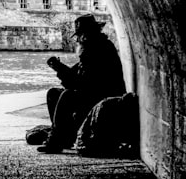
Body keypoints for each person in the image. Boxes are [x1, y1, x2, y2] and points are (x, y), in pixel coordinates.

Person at [33, 14, 126, 153]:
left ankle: (56, 140)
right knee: (53, 93)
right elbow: (78, 76)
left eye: (80, 35)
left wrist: (60, 69)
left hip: (104, 94)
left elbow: (81, 83)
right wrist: (60, 68)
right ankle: (64, 137)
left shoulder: (97, 50)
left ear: (87, 35)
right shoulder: (94, 47)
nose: (78, 39)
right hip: (95, 91)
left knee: (67, 96)